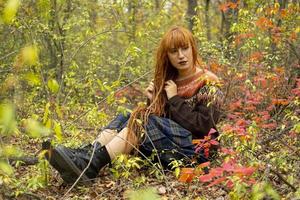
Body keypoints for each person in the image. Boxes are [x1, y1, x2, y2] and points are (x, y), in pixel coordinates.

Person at [43, 26, 223, 184]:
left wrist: (174, 99)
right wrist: (153, 101)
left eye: (185, 48)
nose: (181, 55)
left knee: (141, 121)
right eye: (174, 51)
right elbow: (163, 123)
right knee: (126, 116)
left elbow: (204, 127)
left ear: (193, 48)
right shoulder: (170, 81)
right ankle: (85, 157)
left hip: (196, 152)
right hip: (173, 145)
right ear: (167, 55)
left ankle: (92, 164)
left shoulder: (209, 82)